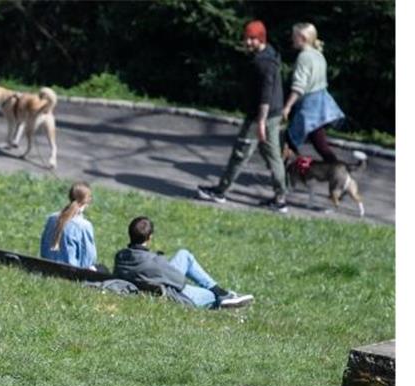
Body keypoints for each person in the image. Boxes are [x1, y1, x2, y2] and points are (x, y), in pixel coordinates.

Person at [198, 20, 289, 212]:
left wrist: (261, 122)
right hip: (272, 114)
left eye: (252, 39)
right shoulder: (270, 55)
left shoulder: (263, 63)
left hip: (260, 117)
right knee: (273, 156)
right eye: (246, 38)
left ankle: (220, 191)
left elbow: (265, 95)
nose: (247, 42)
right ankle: (280, 200)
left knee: (240, 153)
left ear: (261, 39)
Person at [112, 216, 253, 309]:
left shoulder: (120, 256)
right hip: (171, 294)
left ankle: (224, 294)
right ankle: (222, 296)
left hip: (149, 282)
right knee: (210, 295)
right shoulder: (154, 262)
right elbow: (179, 282)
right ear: (150, 237)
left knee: (183, 255)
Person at [281, 22, 344, 164]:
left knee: (289, 140)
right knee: (320, 145)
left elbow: (299, 86)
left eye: (294, 36)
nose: (292, 39)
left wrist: (288, 106)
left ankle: (283, 178)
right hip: (320, 104)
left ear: (302, 37)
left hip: (309, 107)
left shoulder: (304, 57)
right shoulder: (319, 55)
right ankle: (340, 175)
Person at [39, 182, 102, 271]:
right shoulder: (84, 226)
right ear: (87, 201)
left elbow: (44, 247)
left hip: (48, 267)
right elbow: (88, 260)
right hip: (71, 272)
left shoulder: (52, 218)